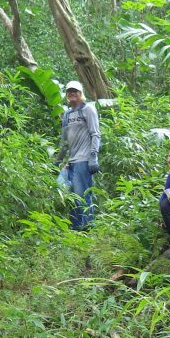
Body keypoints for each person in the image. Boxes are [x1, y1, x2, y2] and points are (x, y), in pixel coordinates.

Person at [58, 80, 101, 230]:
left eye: (75, 91)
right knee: (70, 196)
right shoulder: (67, 114)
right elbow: (64, 141)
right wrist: (58, 160)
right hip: (71, 161)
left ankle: (88, 227)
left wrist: (93, 157)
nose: (72, 94)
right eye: (69, 91)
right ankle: (75, 228)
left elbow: (95, 134)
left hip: (84, 159)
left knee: (82, 195)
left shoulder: (88, 109)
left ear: (81, 93)